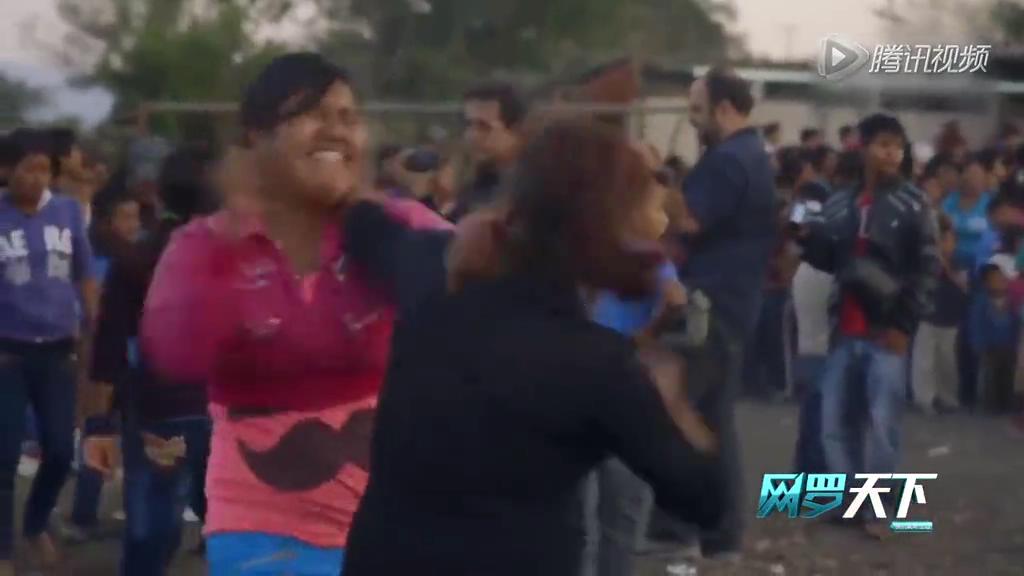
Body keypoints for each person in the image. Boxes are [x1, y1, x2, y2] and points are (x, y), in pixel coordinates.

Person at [341, 118, 724, 576]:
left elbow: (365, 227)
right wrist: (673, 401)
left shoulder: (435, 280)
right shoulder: (598, 364)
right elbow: (706, 499)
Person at [140, 53, 448, 576]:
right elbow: (176, 350)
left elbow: (492, 303)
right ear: (257, 136)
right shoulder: (206, 244)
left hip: (400, 524)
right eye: (311, 114)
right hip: (266, 532)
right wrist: (236, 234)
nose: (336, 131)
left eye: (348, 117)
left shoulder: (400, 226)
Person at [799, 113, 939, 539]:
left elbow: (927, 269)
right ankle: (848, 505)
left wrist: (903, 324)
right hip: (844, 327)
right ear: (863, 149)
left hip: (885, 330)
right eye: (882, 144)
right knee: (834, 423)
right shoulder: (840, 202)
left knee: (882, 425)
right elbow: (828, 260)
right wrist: (807, 239)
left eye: (897, 145)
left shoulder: (914, 204)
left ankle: (877, 510)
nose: (891, 153)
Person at [80, 146, 216, 575]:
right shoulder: (240, 258)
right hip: (225, 408)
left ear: (157, 196)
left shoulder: (137, 259)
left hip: (159, 410)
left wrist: (99, 424)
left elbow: (109, 347)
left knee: (153, 521)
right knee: (222, 514)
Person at [669, 66, 776, 558]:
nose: (693, 119)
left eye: (697, 109)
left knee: (689, 414)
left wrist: (654, 186)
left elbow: (688, 221)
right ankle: (718, 532)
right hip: (731, 301)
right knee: (711, 416)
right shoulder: (750, 155)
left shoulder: (729, 160)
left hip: (711, 303)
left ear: (725, 108)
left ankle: (690, 529)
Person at [0, 129, 99, 572]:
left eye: (45, 169)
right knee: (4, 455)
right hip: (8, 354)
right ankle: (3, 550)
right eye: (29, 168)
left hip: (59, 351)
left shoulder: (67, 211)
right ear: (7, 170)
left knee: (60, 451)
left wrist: (93, 323)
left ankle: (36, 522)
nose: (38, 178)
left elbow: (85, 272)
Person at [66, 192, 142, 539]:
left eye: (136, 217)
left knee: (135, 440)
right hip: (108, 363)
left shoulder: (142, 258)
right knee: (99, 433)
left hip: (137, 363)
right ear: (107, 221)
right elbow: (91, 317)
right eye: (126, 217)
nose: (133, 225)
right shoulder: (97, 263)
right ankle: (84, 515)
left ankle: (136, 514)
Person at [911, 215, 968, 414]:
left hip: (950, 317)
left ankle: (948, 397)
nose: (946, 244)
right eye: (942, 240)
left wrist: (946, 265)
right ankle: (925, 398)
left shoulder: (959, 260)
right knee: (924, 360)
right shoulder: (927, 260)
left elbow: (963, 285)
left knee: (947, 360)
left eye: (949, 240)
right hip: (928, 315)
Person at [448, 82, 527, 222]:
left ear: (516, 130)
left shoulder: (534, 189)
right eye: (468, 124)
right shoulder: (475, 186)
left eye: (483, 126)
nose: (471, 136)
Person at [970, 254, 1020, 414]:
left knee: (1007, 375)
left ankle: (1006, 403)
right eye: (994, 279)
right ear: (986, 283)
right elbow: (976, 325)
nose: (999, 281)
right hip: (989, 347)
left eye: (1002, 278)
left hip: (1008, 346)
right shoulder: (981, 302)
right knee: (989, 376)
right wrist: (978, 344)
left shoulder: (1012, 301)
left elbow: (1016, 323)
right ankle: (990, 405)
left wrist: (1016, 343)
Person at [944, 153, 996, 272]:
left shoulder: (991, 204)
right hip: (951, 262)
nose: (972, 180)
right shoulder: (949, 201)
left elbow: (995, 235)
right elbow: (941, 227)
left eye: (977, 176)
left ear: (984, 180)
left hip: (983, 264)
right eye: (969, 175)